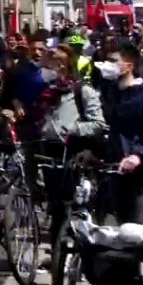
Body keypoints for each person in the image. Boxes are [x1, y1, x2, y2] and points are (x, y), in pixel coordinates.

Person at [30, 45, 106, 240]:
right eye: (54, 61)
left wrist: (72, 131)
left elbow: (98, 123)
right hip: (47, 148)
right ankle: (58, 247)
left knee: (68, 202)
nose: (58, 66)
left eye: (62, 62)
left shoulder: (83, 91)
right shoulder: (46, 91)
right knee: (55, 203)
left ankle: (70, 244)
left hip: (72, 149)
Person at [96, 40, 143, 228]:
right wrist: (95, 152)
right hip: (115, 177)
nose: (107, 65)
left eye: (113, 61)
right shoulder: (110, 93)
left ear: (128, 66)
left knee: (140, 237)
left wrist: (138, 156)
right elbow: (112, 131)